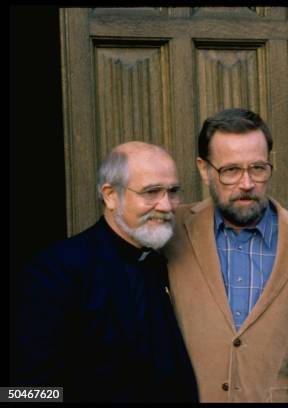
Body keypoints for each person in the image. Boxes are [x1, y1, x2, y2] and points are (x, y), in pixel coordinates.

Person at [12, 141, 198, 402]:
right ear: (110, 195)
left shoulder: (159, 264)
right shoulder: (54, 272)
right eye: (152, 192)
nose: (166, 206)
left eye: (172, 191)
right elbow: (23, 393)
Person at [164, 108, 288, 402]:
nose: (247, 183)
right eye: (231, 171)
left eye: (258, 168)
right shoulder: (170, 233)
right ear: (204, 169)